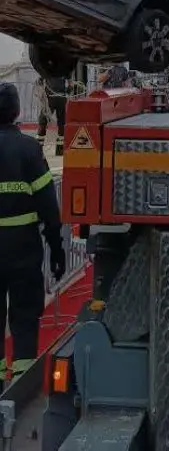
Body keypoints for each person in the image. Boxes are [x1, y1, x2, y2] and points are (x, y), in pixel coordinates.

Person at [0, 82, 63, 384]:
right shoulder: (28, 150)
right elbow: (48, 204)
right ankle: (21, 386)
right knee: (24, 319)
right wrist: (57, 246)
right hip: (23, 250)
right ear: (16, 112)